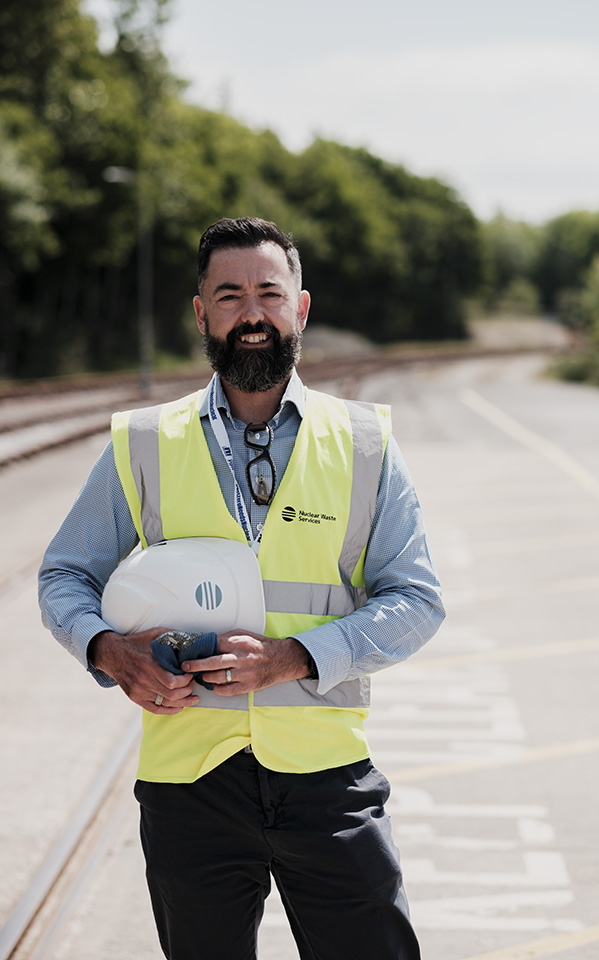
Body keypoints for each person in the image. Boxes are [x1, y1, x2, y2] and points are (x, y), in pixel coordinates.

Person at [39, 216, 445, 960]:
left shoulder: (364, 444)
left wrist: (297, 657)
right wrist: (104, 649)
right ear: (201, 314)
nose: (251, 314)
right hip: (189, 782)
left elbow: (416, 598)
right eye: (229, 296)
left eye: (269, 292)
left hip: (326, 775)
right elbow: (66, 573)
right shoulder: (142, 443)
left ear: (302, 307)